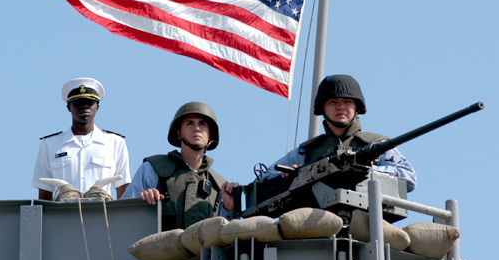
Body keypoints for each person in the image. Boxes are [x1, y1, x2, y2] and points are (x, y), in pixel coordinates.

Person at [263, 74, 417, 192]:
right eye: (333, 102)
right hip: (317, 223)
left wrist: (365, 169)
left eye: (347, 102)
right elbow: (265, 177)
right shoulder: (306, 151)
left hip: (365, 221)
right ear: (323, 108)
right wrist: (292, 176)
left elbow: (408, 178)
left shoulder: (376, 144)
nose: (341, 107)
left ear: (356, 107)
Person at [122, 101, 238, 230]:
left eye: (202, 124)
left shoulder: (219, 185)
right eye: (190, 123)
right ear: (178, 132)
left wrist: (229, 208)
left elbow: (228, 234)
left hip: (204, 250)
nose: (197, 128)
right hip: (161, 248)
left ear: (210, 135)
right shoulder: (154, 168)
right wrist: (143, 200)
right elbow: (125, 216)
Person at [31, 77, 131, 200]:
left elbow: (124, 191)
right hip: (64, 216)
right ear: (68, 107)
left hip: (103, 216)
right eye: (78, 103)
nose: (84, 107)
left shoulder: (115, 143)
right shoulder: (50, 145)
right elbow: (44, 195)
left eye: (89, 102)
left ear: (97, 107)